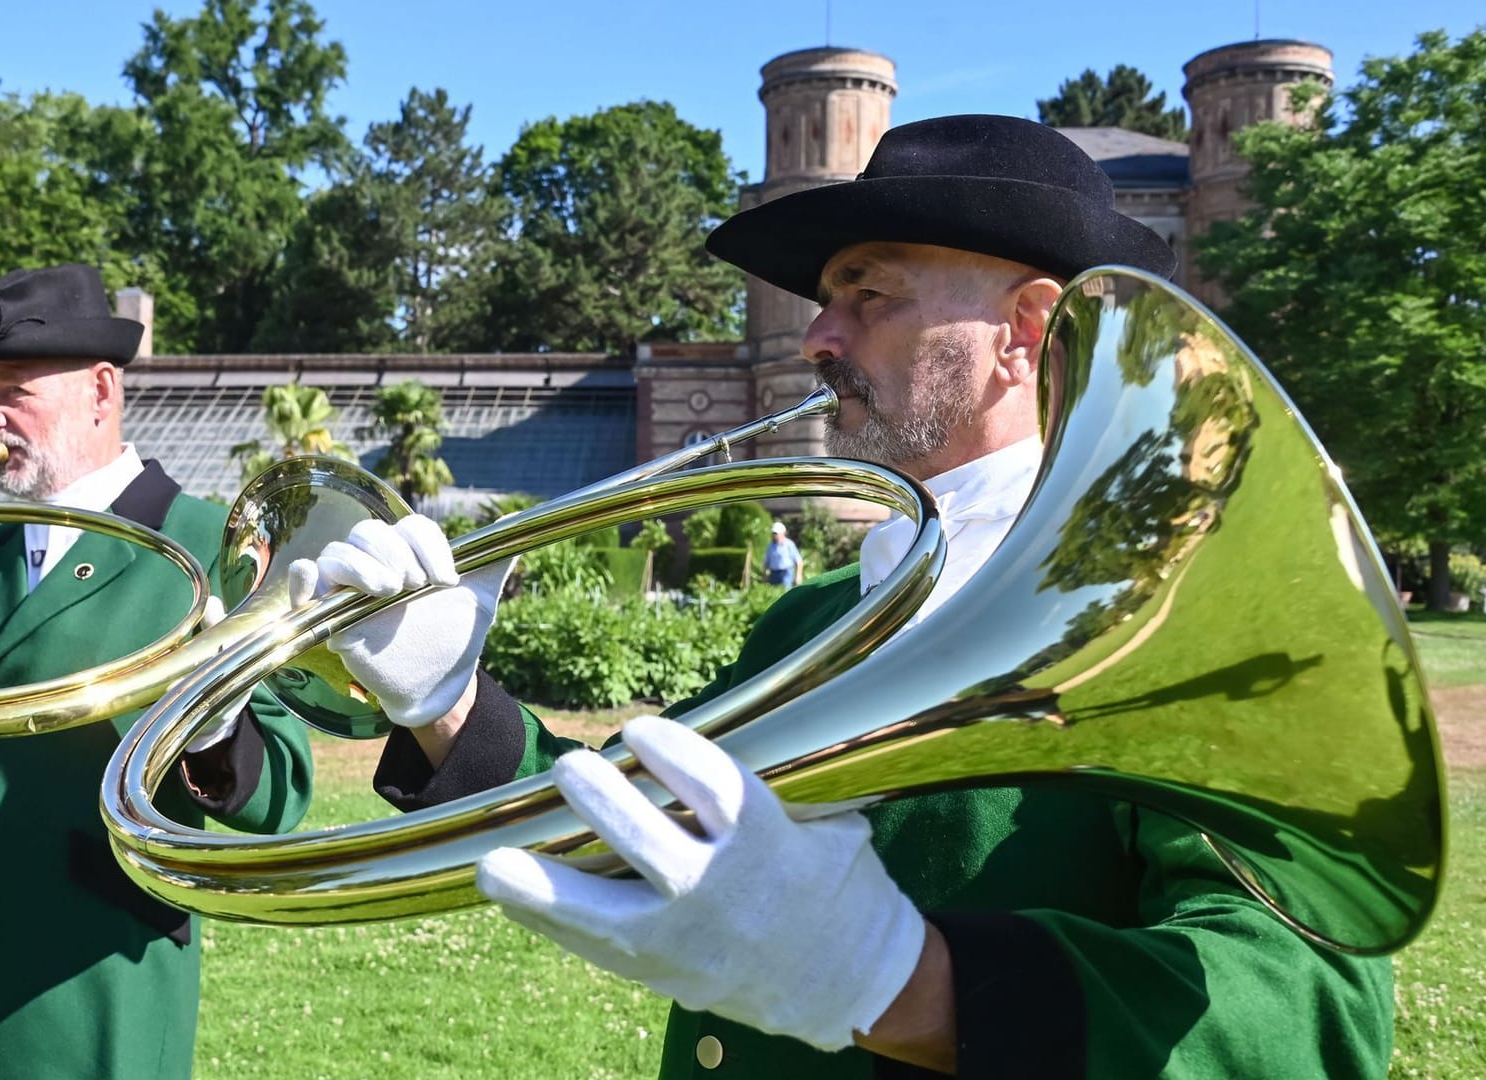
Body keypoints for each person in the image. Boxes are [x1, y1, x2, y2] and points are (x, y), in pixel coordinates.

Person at [287, 116, 1392, 1077]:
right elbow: (654, 836)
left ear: (1023, 331)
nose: (817, 337)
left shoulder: (1175, 613)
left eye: (870, 294)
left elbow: (1305, 1011)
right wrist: (445, 705)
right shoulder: (806, 619)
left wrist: (907, 984)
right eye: (825, 301)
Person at [0, 264, 313, 1080]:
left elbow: (281, 795)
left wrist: (219, 723)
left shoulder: (208, 545)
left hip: (74, 986)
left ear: (101, 391)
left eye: (13, 388)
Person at [763, 521, 803, 587]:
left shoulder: (789, 544)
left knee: (786, 593)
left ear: (782, 533)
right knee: (775, 594)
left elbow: (799, 561)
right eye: (774, 533)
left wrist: (798, 575)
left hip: (786, 573)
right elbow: (766, 562)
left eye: (776, 533)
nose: (774, 535)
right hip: (774, 574)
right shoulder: (770, 546)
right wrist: (764, 574)